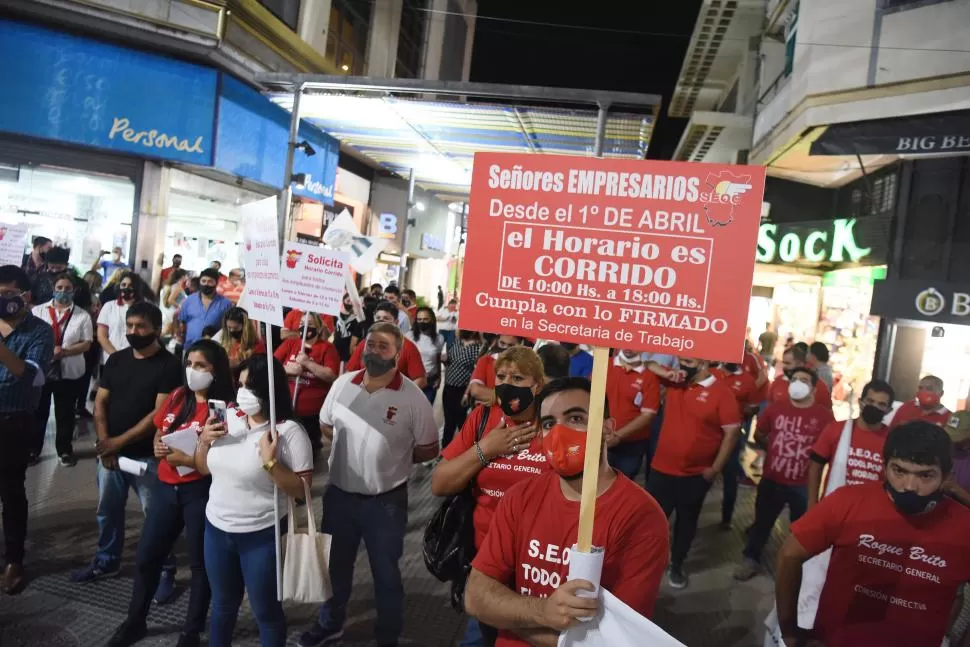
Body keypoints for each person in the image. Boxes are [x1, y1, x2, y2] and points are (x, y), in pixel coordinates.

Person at [464, 377, 670, 646]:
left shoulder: (642, 517)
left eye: (576, 418)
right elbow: (476, 596)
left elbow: (617, 639)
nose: (560, 433)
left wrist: (512, 617)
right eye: (549, 423)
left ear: (607, 429)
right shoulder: (520, 497)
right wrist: (543, 612)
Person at [300, 322, 439, 647]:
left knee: (386, 573)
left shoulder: (413, 398)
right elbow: (326, 426)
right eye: (371, 343)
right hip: (339, 497)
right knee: (335, 568)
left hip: (386, 502)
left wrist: (393, 456)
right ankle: (331, 624)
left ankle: (387, 635)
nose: (375, 350)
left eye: (383, 345)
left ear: (398, 353)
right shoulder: (343, 384)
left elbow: (429, 448)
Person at [774, 421, 970, 647]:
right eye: (899, 471)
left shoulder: (964, 526)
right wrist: (789, 631)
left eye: (925, 476)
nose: (909, 486)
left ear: (946, 477)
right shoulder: (847, 501)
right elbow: (789, 555)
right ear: (885, 466)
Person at [106, 339, 234, 647]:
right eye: (189, 364)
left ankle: (191, 631)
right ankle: (135, 621)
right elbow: (160, 426)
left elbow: (221, 457)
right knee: (148, 557)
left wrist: (189, 459)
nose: (193, 371)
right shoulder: (179, 395)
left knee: (200, 565)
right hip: (166, 487)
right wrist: (158, 443)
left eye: (201, 365)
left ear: (216, 370)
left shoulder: (224, 409)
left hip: (200, 492)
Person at [433, 346, 550, 646]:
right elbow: (440, 483)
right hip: (485, 557)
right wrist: (487, 449)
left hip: (538, 564)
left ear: (537, 385)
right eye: (501, 376)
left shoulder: (552, 425)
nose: (507, 383)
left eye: (518, 377)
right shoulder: (484, 419)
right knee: (483, 632)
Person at [195, 354, 314, 647]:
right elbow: (202, 468)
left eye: (252, 386)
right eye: (241, 384)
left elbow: (301, 492)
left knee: (266, 612)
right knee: (222, 606)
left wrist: (271, 463)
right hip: (216, 530)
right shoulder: (228, 418)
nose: (243, 392)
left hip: (262, 536)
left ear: (270, 390)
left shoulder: (288, 432)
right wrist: (204, 441)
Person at [72, 302, 183, 591]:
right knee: (107, 510)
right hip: (111, 455)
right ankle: (107, 560)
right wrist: (103, 441)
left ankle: (164, 569)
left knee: (156, 516)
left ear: (157, 330)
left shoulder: (169, 366)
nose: (133, 331)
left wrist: (114, 444)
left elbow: (156, 417)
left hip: (149, 457)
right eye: (130, 326)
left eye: (141, 327)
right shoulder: (118, 360)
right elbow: (100, 402)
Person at [645, 357, 742, 589]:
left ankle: (676, 564)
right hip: (661, 470)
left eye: (688, 360)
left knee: (686, 523)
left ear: (703, 363)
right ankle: (645, 563)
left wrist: (715, 468)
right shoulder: (676, 381)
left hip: (695, 475)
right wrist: (666, 373)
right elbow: (648, 363)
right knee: (650, 522)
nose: (682, 364)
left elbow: (731, 433)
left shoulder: (722, 393)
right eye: (681, 359)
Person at [734, 366, 834, 581]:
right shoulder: (775, 409)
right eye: (794, 379)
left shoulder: (824, 417)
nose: (797, 383)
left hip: (804, 484)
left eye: (804, 380)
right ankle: (751, 559)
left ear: (814, 389)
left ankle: (796, 567)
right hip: (773, 479)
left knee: (801, 530)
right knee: (762, 522)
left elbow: (829, 447)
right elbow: (760, 433)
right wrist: (775, 448)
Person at [0, 265, 53, 594]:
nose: (3, 301)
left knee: (11, 492)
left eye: (8, 295)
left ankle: (14, 559)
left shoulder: (40, 331)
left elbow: (33, 376)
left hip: (14, 421)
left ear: (25, 297)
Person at [31, 273, 93, 466]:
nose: (63, 292)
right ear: (53, 289)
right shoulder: (39, 311)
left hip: (69, 371)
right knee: (39, 411)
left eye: (67, 288)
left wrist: (64, 352)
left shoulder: (82, 315)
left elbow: (86, 344)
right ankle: (33, 450)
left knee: (65, 413)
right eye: (59, 288)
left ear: (73, 291)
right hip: (43, 370)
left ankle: (64, 450)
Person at [807, 379, 895, 509]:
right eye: (870, 401)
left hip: (869, 511)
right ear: (860, 402)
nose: (874, 407)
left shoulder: (893, 440)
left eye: (881, 404)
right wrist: (812, 505)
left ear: (888, 410)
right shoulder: (836, 429)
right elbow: (815, 466)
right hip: (833, 508)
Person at [276, 312, 340, 451]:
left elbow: (331, 375)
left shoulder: (327, 348)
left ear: (318, 328)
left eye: (309, 324)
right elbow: (272, 364)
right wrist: (288, 369)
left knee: (308, 446)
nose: (304, 327)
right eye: (301, 324)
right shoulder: (290, 343)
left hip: (312, 411)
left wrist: (307, 363)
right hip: (287, 405)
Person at [719, 358, 767, 529]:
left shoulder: (747, 380)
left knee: (730, 477)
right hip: (708, 436)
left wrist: (744, 410)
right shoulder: (712, 374)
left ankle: (726, 518)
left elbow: (754, 407)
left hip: (732, 437)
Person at [604, 349, 661, 482]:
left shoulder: (649, 376)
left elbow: (648, 415)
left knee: (622, 486)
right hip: (600, 440)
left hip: (632, 445)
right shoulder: (604, 365)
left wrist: (617, 436)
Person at [344, 301, 427, 388]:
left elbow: (420, 379)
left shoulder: (408, 346)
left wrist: (401, 396)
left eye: (386, 318)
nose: (381, 321)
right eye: (378, 318)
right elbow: (350, 372)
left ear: (396, 321)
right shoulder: (364, 344)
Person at [441, 330, 483, 448]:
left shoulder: (477, 348)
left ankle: (465, 449)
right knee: (449, 422)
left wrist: (466, 393)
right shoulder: (456, 342)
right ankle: (445, 450)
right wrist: (444, 360)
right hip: (448, 386)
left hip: (463, 390)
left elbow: (476, 373)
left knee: (462, 423)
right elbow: (450, 363)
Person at [97, 272, 147, 367]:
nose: (126, 288)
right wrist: (117, 356)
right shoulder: (109, 306)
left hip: (135, 361)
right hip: (111, 359)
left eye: (130, 285)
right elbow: (102, 336)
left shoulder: (145, 308)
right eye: (123, 285)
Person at [178, 268, 232, 347]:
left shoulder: (225, 303)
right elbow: (182, 322)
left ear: (216, 283)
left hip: (213, 349)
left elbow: (228, 327)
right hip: (189, 347)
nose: (206, 284)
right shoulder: (189, 300)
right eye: (203, 281)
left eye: (210, 281)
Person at [769, 346, 833, 411]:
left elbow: (828, 413)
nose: (784, 367)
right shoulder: (778, 381)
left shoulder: (818, 386)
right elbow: (769, 408)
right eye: (784, 363)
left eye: (788, 363)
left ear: (800, 364)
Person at [469, 335, 523, 406]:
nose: (505, 348)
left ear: (519, 345)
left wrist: (492, 397)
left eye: (510, 345)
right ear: (497, 341)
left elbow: (523, 398)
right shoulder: (486, 360)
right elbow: (475, 390)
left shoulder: (524, 367)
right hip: (486, 414)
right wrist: (506, 398)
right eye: (502, 343)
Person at [412, 306, 445, 403]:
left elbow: (437, 359)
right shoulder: (408, 336)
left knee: (426, 413)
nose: (422, 322)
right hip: (412, 381)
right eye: (419, 319)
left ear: (431, 320)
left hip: (431, 381)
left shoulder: (439, 338)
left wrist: (439, 377)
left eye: (425, 319)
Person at [334, 293, 364, 364]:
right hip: (336, 347)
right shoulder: (337, 315)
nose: (350, 303)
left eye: (352, 302)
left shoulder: (358, 318)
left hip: (348, 350)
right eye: (348, 301)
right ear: (343, 301)